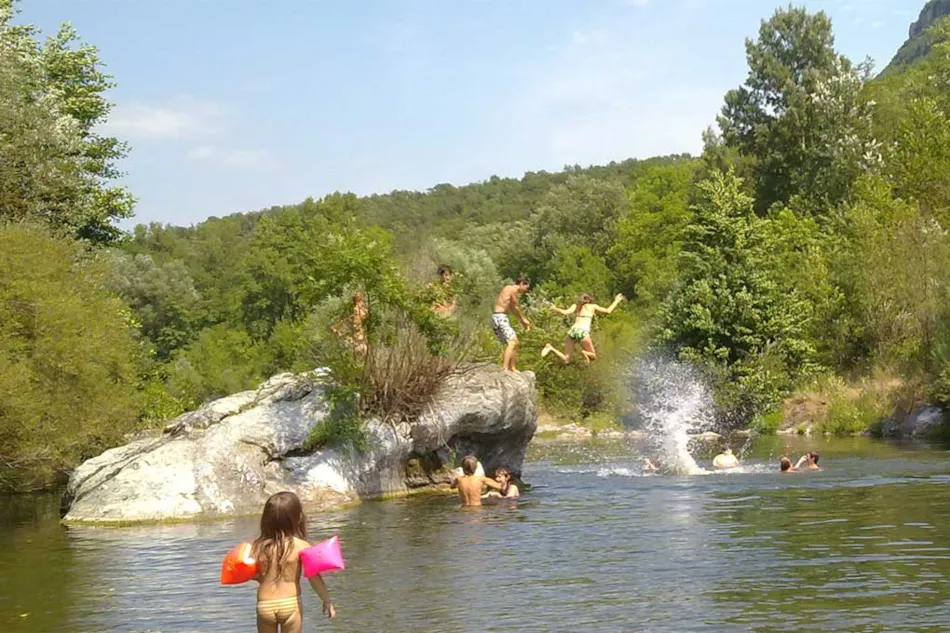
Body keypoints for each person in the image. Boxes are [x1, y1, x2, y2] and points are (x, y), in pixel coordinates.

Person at [251, 491, 336, 633]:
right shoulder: (301, 546)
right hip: (290, 604)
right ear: (297, 519)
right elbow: (314, 577)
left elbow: (254, 575)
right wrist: (326, 600)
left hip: (265, 604)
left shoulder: (258, 547)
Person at [541, 293, 625, 365]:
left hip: (572, 331)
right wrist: (616, 301)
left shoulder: (575, 306)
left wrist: (555, 309)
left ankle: (550, 348)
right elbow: (608, 311)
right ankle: (584, 352)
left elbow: (565, 312)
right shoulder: (592, 306)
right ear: (589, 300)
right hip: (583, 332)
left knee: (566, 360)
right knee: (593, 356)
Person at [492, 277, 532, 372]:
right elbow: (515, 307)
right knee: (512, 342)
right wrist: (523, 320)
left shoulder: (507, 288)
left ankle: (512, 367)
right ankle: (505, 368)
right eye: (527, 288)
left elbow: (512, 307)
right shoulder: (512, 290)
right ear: (522, 283)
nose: (526, 291)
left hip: (498, 317)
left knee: (515, 342)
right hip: (500, 317)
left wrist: (522, 321)